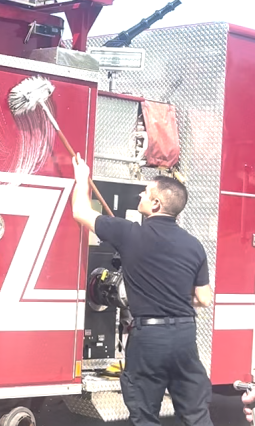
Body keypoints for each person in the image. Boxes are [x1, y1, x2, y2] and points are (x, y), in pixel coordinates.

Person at [71, 153, 214, 426]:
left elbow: (80, 211)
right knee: (196, 415)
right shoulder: (194, 244)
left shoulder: (129, 234)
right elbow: (204, 298)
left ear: (157, 203)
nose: (140, 193)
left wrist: (81, 179)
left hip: (149, 339)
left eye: (146, 192)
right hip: (185, 336)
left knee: (145, 415)